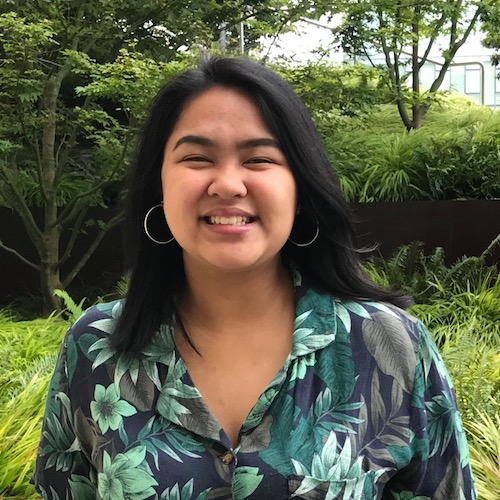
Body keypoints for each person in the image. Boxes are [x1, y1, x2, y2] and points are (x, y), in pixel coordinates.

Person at [34, 57, 476, 500]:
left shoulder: (389, 346)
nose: (228, 184)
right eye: (197, 157)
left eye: (259, 158)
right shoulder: (94, 347)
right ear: (159, 188)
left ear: (300, 188)